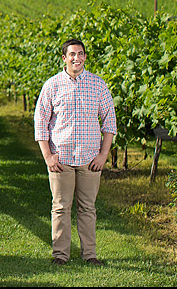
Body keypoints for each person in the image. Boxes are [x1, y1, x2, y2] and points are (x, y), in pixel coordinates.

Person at [34, 39, 116, 266]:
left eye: (80, 54)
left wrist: (103, 155)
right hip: (62, 159)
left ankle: (90, 255)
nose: (76, 58)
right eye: (72, 54)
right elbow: (40, 122)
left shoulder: (98, 86)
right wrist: (48, 156)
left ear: (85, 57)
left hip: (90, 159)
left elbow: (110, 122)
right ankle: (60, 255)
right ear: (64, 58)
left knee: (88, 208)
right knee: (60, 207)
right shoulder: (52, 86)